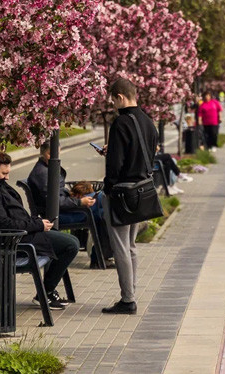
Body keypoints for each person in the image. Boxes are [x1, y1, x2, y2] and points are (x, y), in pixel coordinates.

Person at [0, 151, 79, 310]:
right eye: (4, 173)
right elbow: (4, 224)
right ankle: (46, 292)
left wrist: (37, 222)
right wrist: (38, 225)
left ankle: (47, 291)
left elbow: (12, 216)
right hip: (10, 242)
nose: (7, 177)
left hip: (19, 236)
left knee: (72, 242)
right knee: (70, 245)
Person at [101, 78, 158, 315]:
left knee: (121, 247)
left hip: (123, 193)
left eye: (112, 100)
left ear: (120, 97)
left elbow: (116, 164)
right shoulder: (147, 121)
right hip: (142, 190)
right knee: (131, 245)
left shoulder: (121, 123)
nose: (112, 105)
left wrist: (108, 187)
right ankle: (131, 292)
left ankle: (127, 299)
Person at [27, 141, 113, 269]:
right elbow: (55, 201)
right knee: (101, 200)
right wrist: (79, 202)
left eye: (57, 154)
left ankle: (100, 257)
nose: (54, 157)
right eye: (50, 154)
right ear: (42, 153)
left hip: (62, 210)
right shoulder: (43, 173)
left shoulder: (47, 168)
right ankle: (102, 256)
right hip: (57, 215)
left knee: (102, 213)